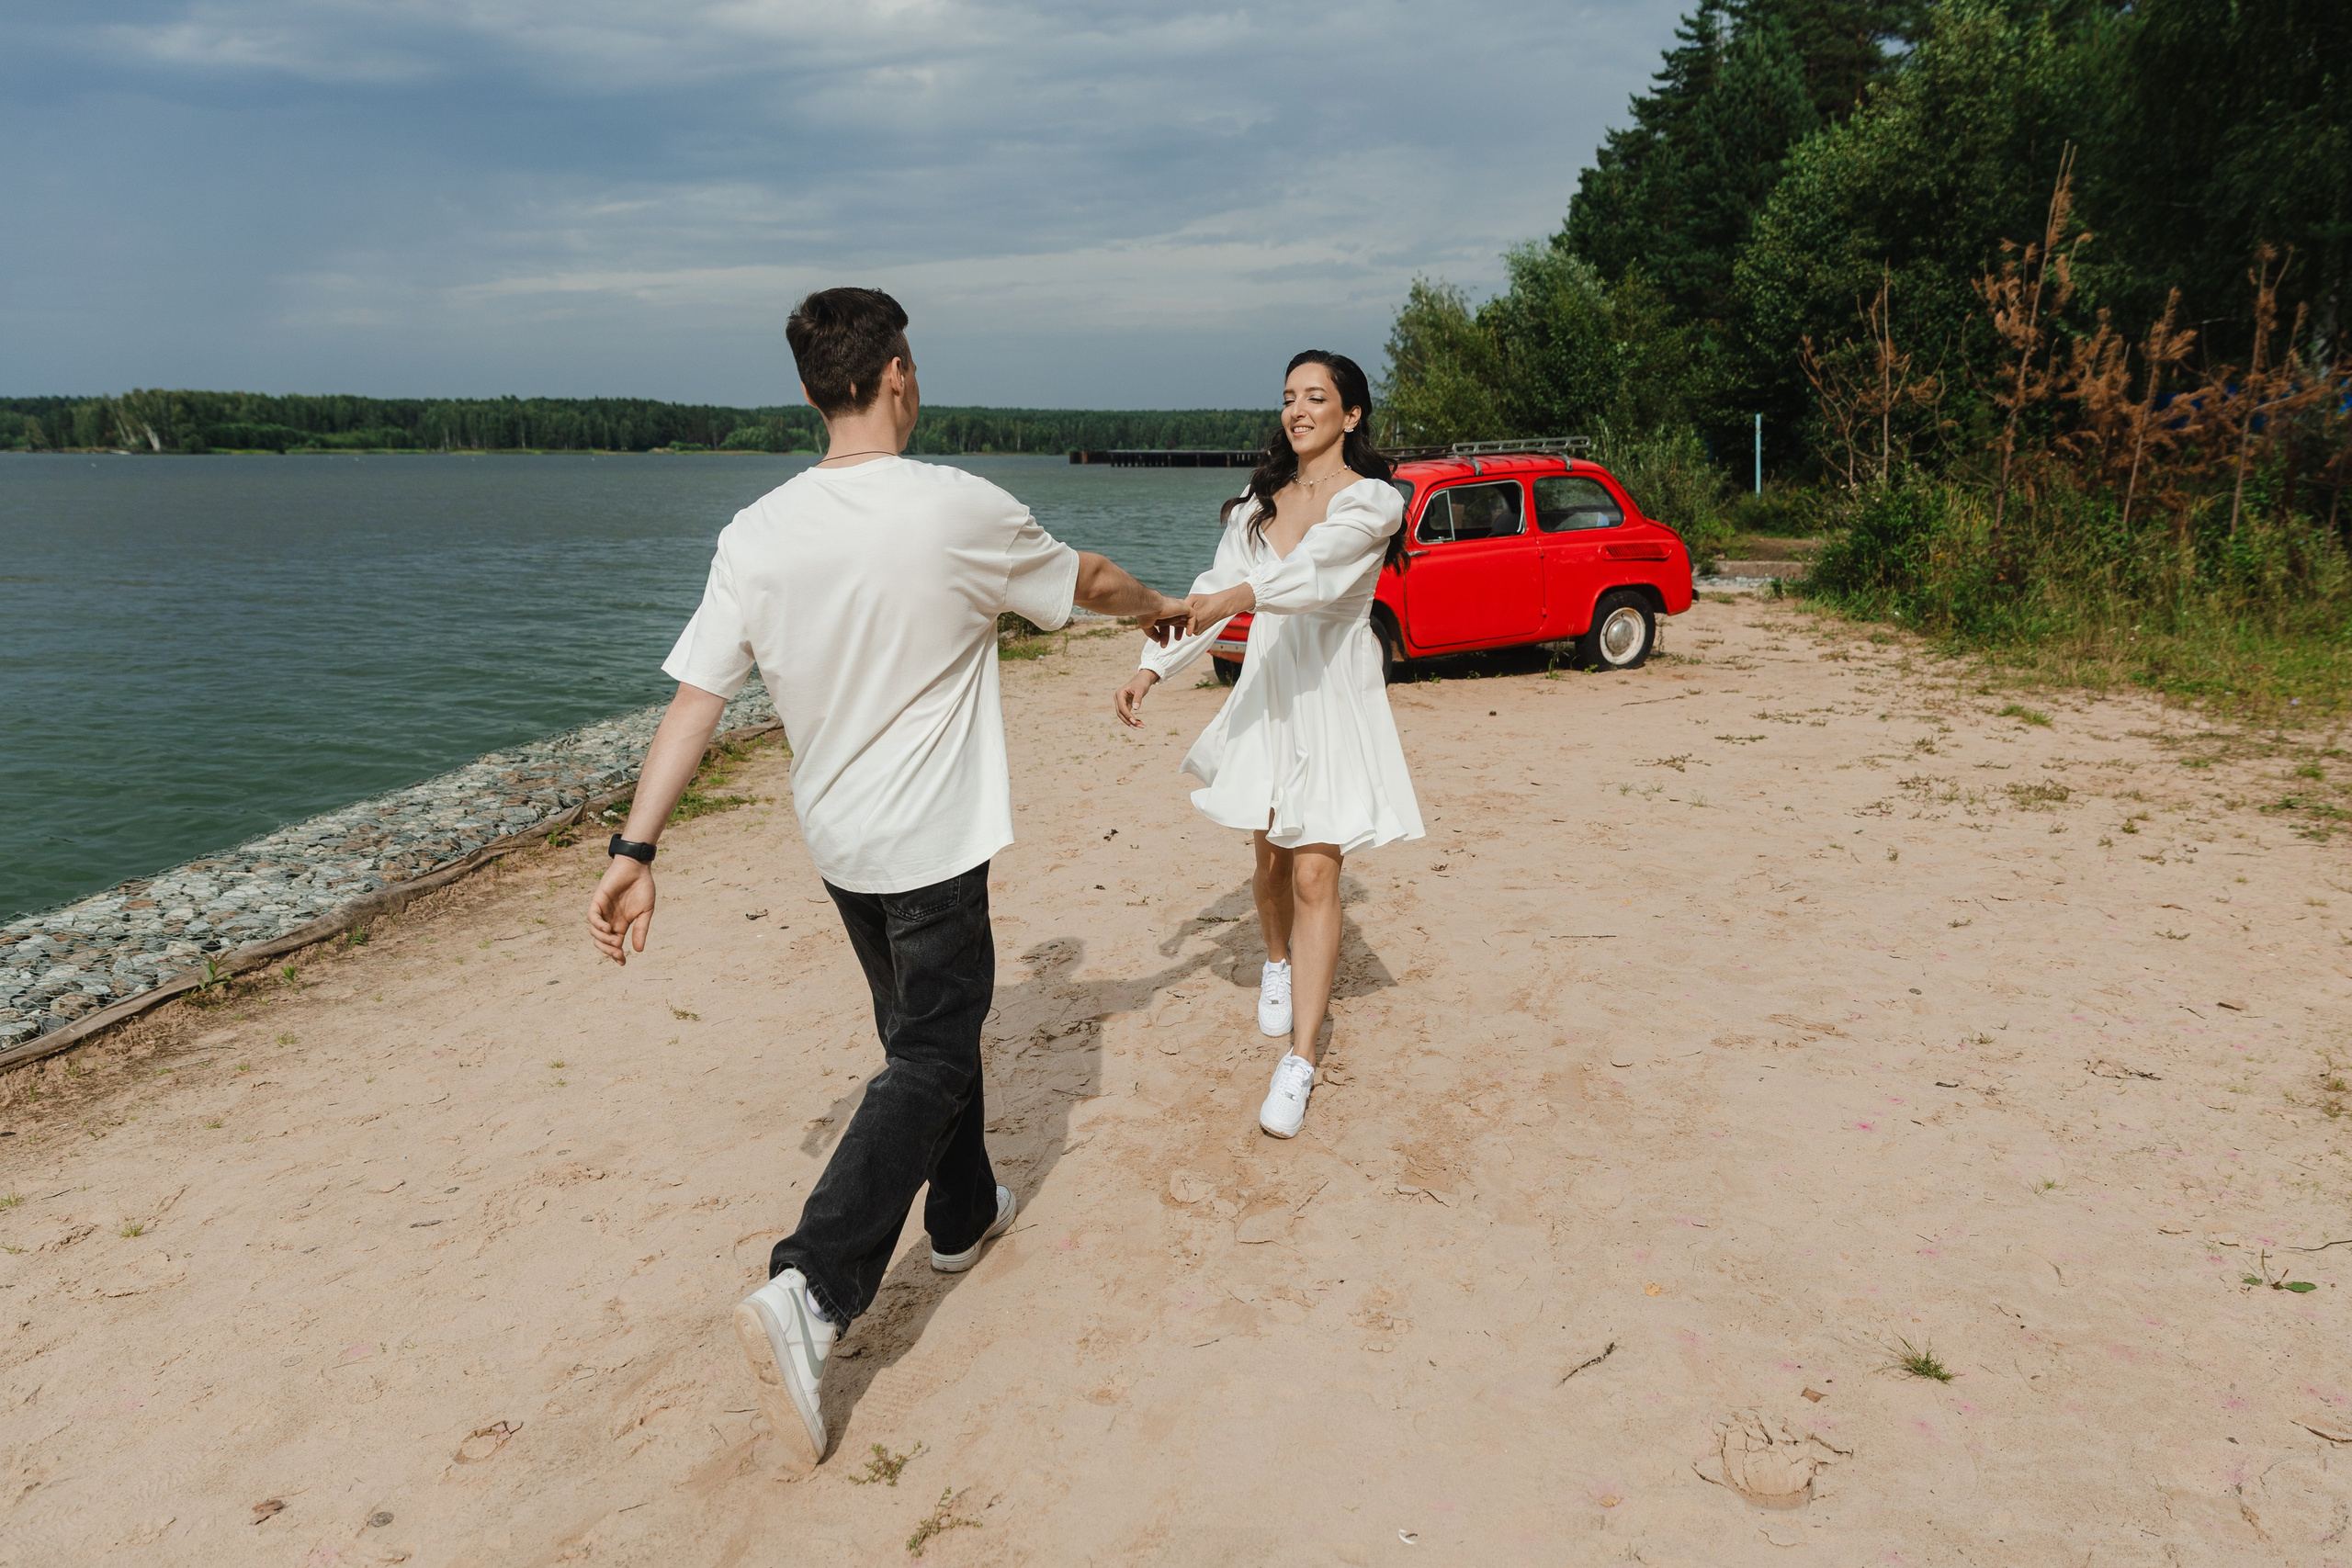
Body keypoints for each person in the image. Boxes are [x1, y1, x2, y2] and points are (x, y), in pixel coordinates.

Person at [586, 288, 1190, 1474]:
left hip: (840, 847)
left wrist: (634, 849)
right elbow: (1092, 577)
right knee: (926, 1049)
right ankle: (813, 1286)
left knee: (926, 1029)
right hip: (929, 842)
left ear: (814, 388)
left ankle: (960, 1214)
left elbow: (697, 699)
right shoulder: (955, 507)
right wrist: (1164, 606)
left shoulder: (755, 533)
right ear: (898, 374)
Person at [1112, 350, 1424, 1139]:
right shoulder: (1258, 501)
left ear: (1351, 415)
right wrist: (1154, 667)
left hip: (1333, 694)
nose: (1298, 409)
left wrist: (1240, 593)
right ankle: (1275, 959)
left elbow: (1314, 574)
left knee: (1319, 872)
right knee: (1271, 862)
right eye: (1289, 397)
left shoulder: (1377, 502)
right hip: (1269, 690)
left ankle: (1301, 1059)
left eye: (1316, 397)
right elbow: (1213, 590)